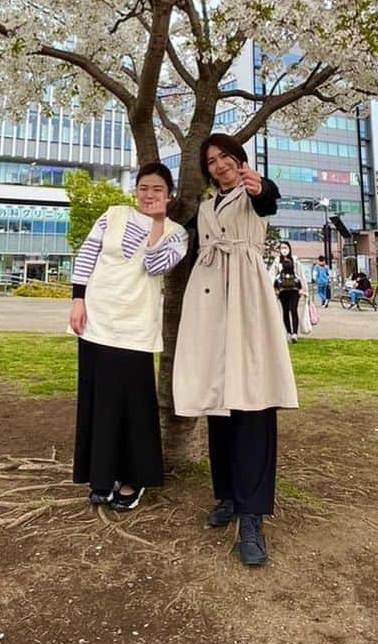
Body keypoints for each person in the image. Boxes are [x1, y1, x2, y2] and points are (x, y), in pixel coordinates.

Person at [173, 134, 298, 568]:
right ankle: (226, 494)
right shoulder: (205, 208)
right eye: (212, 161)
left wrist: (260, 186)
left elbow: (269, 201)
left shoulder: (253, 192)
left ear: (240, 160)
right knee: (218, 399)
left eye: (227, 157)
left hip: (246, 301)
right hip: (209, 303)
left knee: (252, 399)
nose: (221, 165)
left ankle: (252, 517)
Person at [69, 161, 188, 514]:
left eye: (158, 190)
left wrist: (157, 223)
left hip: (134, 328)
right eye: (144, 188)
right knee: (98, 401)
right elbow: (87, 254)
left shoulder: (177, 233)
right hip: (96, 318)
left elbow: (154, 265)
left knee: (133, 405)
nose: (149, 195)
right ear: (135, 190)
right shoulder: (113, 214)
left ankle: (133, 478)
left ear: (169, 195)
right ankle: (100, 475)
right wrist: (77, 299)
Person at [271, 243, 305, 342]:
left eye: (285, 247)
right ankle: (289, 332)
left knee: (293, 309)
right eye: (282, 248)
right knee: (285, 311)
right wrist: (274, 288)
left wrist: (303, 288)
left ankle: (295, 333)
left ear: (289, 248)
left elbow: (300, 274)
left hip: (294, 288)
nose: (284, 250)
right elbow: (272, 274)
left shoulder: (295, 260)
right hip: (282, 290)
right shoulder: (277, 261)